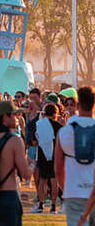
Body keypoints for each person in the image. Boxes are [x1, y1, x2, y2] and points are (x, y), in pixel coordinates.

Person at [57, 86, 95, 226]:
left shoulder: (65, 131)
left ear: (78, 105)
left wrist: (65, 188)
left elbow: (58, 168)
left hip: (74, 191)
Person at [35, 102, 62, 214]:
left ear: (45, 113)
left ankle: (41, 204)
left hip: (42, 155)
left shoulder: (39, 124)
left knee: (42, 181)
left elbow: (34, 140)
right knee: (54, 181)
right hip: (55, 155)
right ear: (56, 114)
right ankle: (53, 206)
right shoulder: (59, 127)